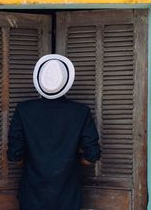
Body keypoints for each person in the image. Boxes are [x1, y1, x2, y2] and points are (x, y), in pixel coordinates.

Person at [7, 54, 101, 210]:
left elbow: (14, 156)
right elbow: (92, 156)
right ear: (66, 83)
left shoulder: (23, 110)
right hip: (69, 197)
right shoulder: (80, 112)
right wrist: (71, 161)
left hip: (32, 195)